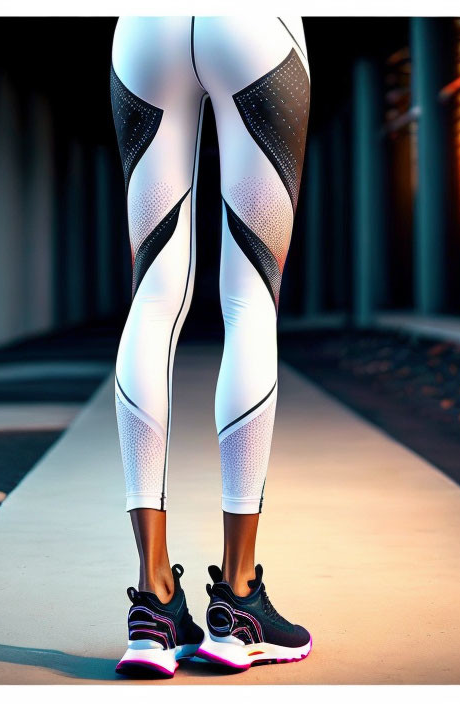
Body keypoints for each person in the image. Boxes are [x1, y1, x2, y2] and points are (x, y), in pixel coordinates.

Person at [110, 16, 312, 677]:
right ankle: (239, 602)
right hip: (258, 25)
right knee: (251, 300)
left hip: (144, 26)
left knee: (152, 296)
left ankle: (155, 607)